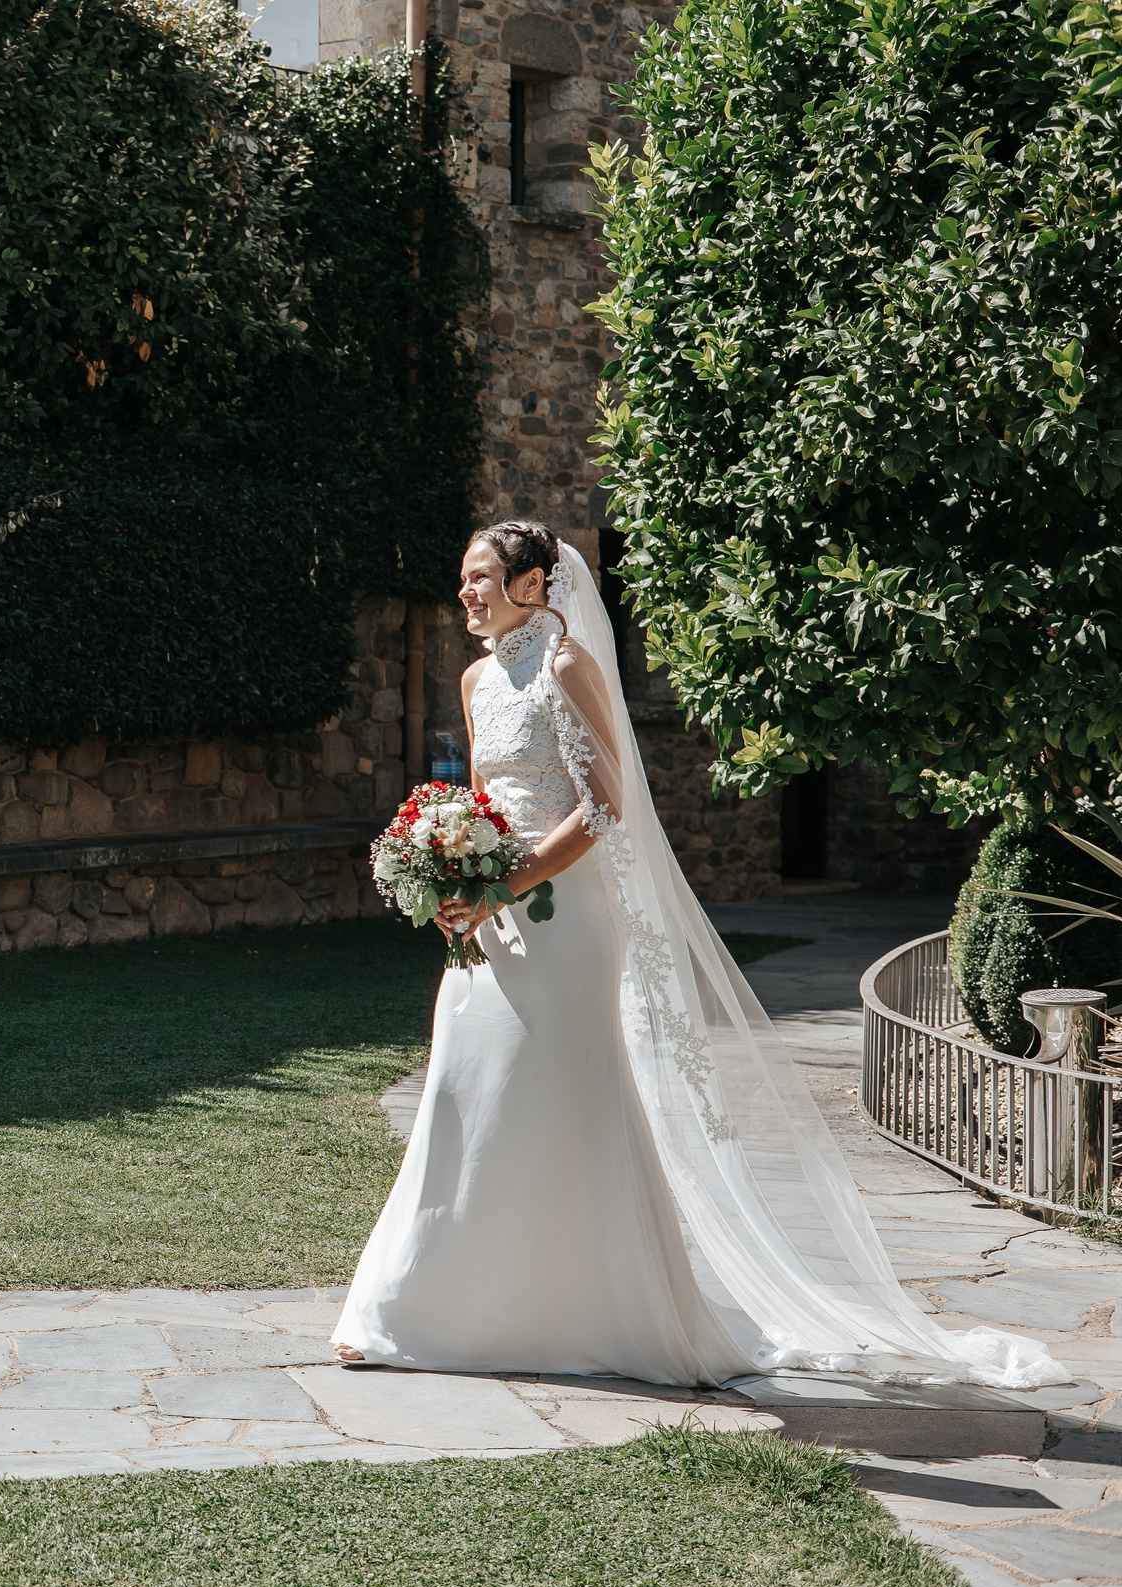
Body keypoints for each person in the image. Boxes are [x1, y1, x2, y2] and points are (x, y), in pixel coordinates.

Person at [332, 520, 1064, 1391]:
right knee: (461, 1089)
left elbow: (604, 808)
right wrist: (457, 878)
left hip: (567, 925)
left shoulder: (568, 667)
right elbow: (490, 801)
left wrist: (510, 880)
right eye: (463, 577)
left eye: (482, 576)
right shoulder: (476, 678)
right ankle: (420, 1304)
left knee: (563, 1097)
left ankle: (597, 1311)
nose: (466, 592)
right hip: (493, 923)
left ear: (533, 583)